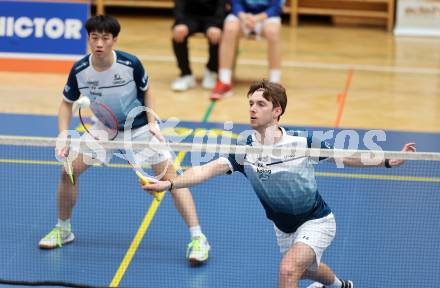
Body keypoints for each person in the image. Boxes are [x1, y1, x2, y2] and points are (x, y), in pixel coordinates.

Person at [142, 80, 416, 287]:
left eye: (260, 104)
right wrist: (171, 185)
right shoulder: (245, 148)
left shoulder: (301, 142)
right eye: (250, 103)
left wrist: (386, 160)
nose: (252, 108)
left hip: (316, 220)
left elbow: (344, 155)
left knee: (287, 270)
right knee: (306, 269)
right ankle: (339, 285)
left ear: (277, 111)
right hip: (283, 227)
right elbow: (206, 169)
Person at [38, 15, 211, 266]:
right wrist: (64, 134)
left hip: (140, 128)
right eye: (94, 38)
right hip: (105, 129)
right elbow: (66, 104)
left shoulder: (131, 64)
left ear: (114, 40)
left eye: (105, 38)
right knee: (68, 171)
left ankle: (198, 238)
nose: (99, 43)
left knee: (172, 180)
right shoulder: (79, 70)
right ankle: (63, 229)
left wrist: (152, 122)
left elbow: (147, 91)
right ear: (88, 38)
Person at [210, 0, 283, 100]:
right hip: (242, 16)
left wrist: (256, 18)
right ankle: (224, 81)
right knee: (230, 30)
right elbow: (235, 3)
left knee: (273, 32)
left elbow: (276, 7)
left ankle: (275, 83)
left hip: (265, 17)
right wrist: (244, 17)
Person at [171, 0, 227, 91]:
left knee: (216, 34)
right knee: (178, 32)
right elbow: (179, 4)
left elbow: (222, 5)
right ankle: (186, 74)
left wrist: (217, 24)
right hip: (189, 17)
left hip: (212, 17)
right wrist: (180, 22)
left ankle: (211, 70)